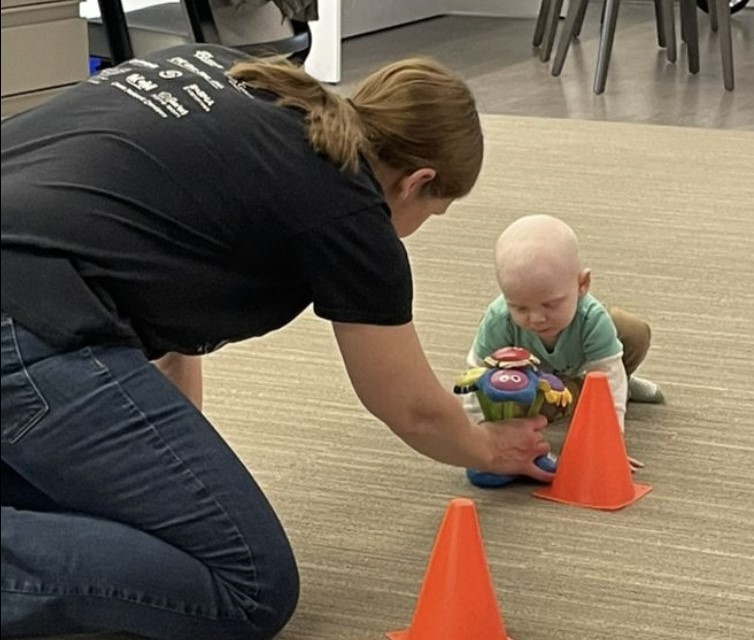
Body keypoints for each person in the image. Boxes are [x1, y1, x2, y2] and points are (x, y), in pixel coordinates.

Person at [0, 43, 554, 639]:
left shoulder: (235, 73)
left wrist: (169, 454)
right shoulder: (348, 205)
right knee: (248, 585)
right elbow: (412, 408)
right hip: (26, 315)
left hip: (34, 285)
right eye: (432, 211)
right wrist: (491, 449)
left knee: (120, 522)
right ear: (417, 182)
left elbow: (153, 270)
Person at [461, 214, 664, 487]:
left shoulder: (592, 318)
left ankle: (626, 382)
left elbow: (608, 377)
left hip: (582, 370)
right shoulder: (499, 319)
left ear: (582, 285)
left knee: (630, 332)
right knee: (516, 404)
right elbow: (476, 377)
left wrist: (609, 444)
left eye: (550, 305)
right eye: (520, 307)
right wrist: (482, 437)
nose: (536, 319)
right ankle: (573, 397)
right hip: (532, 385)